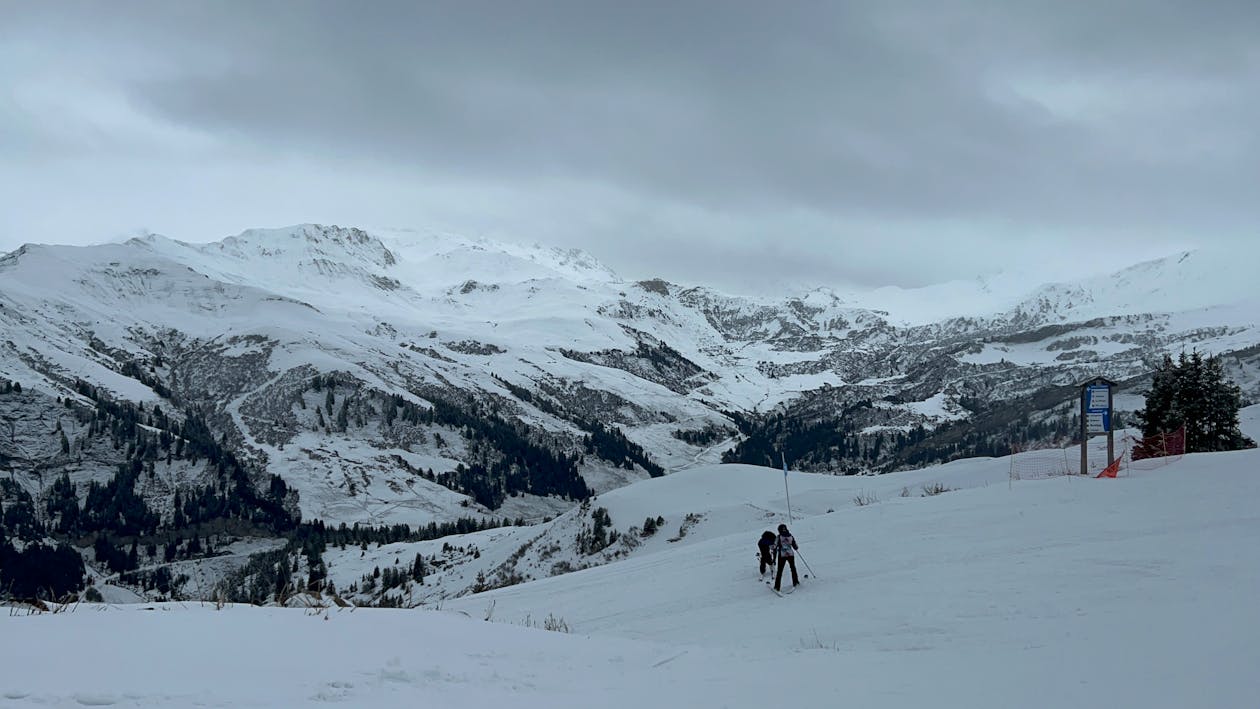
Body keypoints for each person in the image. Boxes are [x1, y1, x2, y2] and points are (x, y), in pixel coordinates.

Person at [774, 524, 799, 592]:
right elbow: (795, 546)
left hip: (782, 555)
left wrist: (773, 548)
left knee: (780, 571)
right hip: (790, 554)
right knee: (793, 568)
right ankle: (795, 582)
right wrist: (795, 547)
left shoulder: (778, 537)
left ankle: (777, 587)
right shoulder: (790, 536)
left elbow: (774, 546)